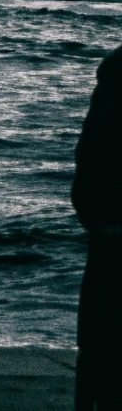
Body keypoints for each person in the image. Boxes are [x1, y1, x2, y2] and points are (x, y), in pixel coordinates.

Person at [77, 44, 122, 409]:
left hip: (111, 223)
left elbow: (92, 151)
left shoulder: (116, 74)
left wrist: (93, 212)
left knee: (100, 338)